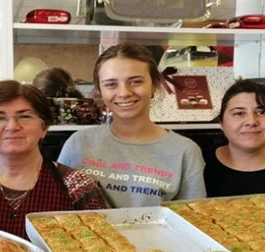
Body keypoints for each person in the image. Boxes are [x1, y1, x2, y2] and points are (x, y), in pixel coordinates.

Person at [58, 42, 206, 207]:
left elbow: (192, 219)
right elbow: (59, 207)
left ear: (154, 86)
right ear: (100, 91)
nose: (124, 93)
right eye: (111, 84)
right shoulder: (78, 144)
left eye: (135, 82)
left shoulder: (185, 152)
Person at [0, 80, 106, 240]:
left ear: (44, 127)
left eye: (24, 116)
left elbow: (100, 244)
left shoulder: (77, 185)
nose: (12, 126)